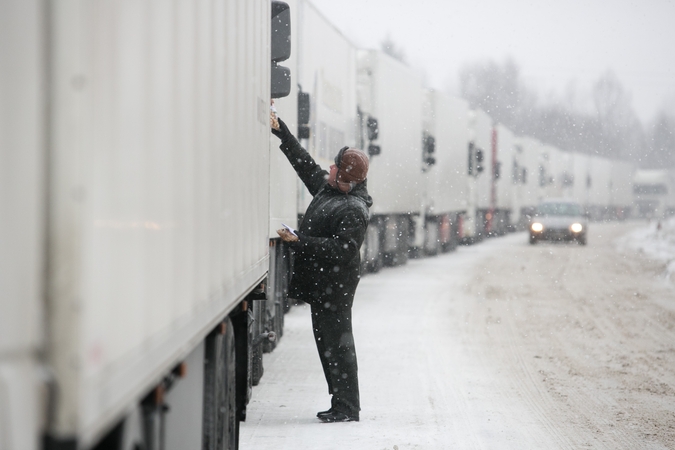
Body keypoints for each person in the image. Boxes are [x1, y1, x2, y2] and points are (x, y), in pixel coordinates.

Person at [271, 117, 372, 423]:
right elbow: (305, 165)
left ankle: (347, 407)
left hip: (335, 288)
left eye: (335, 167)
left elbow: (342, 251)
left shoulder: (353, 209)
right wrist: (282, 131)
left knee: (338, 346)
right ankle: (340, 402)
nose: (328, 169)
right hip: (325, 287)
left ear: (346, 178)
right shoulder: (331, 192)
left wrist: (300, 242)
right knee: (328, 345)